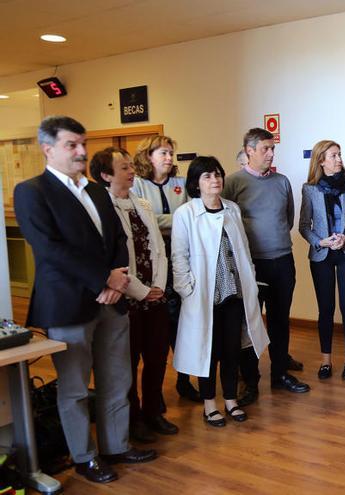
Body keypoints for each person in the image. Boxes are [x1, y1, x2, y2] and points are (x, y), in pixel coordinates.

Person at [14, 116, 156, 484]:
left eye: (83, 143)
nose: (81, 151)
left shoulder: (95, 190)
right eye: (71, 145)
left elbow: (117, 239)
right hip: (69, 303)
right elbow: (50, 250)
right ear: (48, 149)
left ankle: (115, 445)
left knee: (117, 377)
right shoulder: (32, 191)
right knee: (75, 387)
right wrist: (101, 279)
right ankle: (84, 456)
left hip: (112, 298)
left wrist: (117, 277)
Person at [171, 156, 269, 427]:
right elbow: (179, 256)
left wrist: (250, 276)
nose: (214, 180)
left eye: (217, 175)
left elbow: (244, 250)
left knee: (231, 350)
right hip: (203, 296)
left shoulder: (232, 209)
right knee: (207, 351)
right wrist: (186, 290)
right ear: (196, 183)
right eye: (207, 176)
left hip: (233, 293)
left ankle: (230, 400)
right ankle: (209, 404)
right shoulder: (186, 214)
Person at [90, 147, 178, 444]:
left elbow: (159, 250)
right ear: (106, 175)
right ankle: (133, 418)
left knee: (156, 358)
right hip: (126, 299)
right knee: (127, 362)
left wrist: (159, 287)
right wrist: (141, 291)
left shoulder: (141, 203)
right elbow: (113, 260)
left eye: (130, 166)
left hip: (155, 295)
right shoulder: (103, 209)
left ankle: (154, 412)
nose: (132, 171)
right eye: (125, 167)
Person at [223, 128, 309, 406]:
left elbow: (288, 218)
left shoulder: (282, 182)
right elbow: (225, 223)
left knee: (280, 320)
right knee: (250, 325)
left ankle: (280, 373)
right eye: (265, 149)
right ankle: (249, 382)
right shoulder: (233, 183)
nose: (271, 154)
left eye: (273, 149)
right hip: (252, 265)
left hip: (282, 260)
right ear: (249, 151)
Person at [131, 135, 199, 403]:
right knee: (165, 324)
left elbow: (194, 213)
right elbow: (145, 220)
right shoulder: (137, 185)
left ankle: (185, 380)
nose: (170, 158)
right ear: (149, 156)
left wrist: (169, 221)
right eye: (163, 153)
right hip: (154, 265)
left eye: (171, 153)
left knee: (186, 322)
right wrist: (179, 219)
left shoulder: (181, 184)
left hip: (184, 259)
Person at [299, 140, 345, 380]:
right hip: (322, 254)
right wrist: (321, 241)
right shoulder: (310, 189)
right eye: (334, 155)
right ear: (321, 160)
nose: (339, 159)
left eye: (339, 155)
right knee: (325, 308)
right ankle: (325, 360)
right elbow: (303, 226)